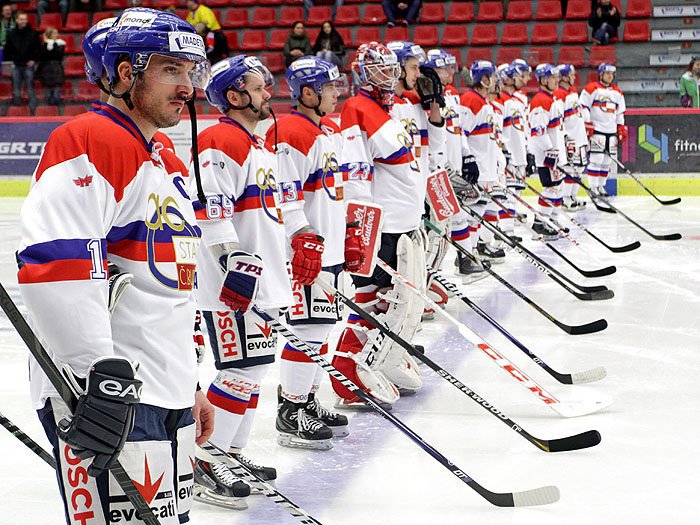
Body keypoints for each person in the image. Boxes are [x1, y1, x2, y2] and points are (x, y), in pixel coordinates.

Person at [16, 9, 213, 525]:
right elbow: (57, 261)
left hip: (165, 386)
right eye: (171, 70)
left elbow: (175, 283)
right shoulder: (89, 139)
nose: (188, 87)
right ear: (126, 73)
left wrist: (190, 381)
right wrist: (96, 374)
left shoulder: (165, 156)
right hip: (110, 389)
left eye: (190, 71)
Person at [190, 54, 292, 508]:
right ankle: (206, 459)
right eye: (258, 85)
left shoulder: (258, 144)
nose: (268, 92)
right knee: (239, 369)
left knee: (255, 369)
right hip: (232, 285)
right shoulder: (219, 139)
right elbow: (211, 210)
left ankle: (230, 451)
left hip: (260, 279)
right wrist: (235, 265)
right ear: (234, 95)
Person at [330, 41, 443, 408]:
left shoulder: (390, 111)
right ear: (362, 72)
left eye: (391, 67)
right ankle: (347, 368)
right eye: (380, 68)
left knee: (403, 302)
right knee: (377, 299)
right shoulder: (357, 108)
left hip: (406, 222)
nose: (389, 74)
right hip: (385, 226)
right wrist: (362, 230)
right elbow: (356, 174)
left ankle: (386, 358)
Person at [265, 56, 351, 450]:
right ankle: (291, 409)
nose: (335, 93)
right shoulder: (290, 132)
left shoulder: (325, 131)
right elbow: (284, 196)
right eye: (329, 87)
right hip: (304, 252)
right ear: (306, 92)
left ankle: (308, 400)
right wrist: (302, 238)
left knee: (321, 329)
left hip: (328, 250)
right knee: (307, 330)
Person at [422, 48, 488, 284]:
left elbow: (458, 132)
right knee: (443, 223)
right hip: (435, 169)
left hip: (451, 168)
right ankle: (440, 270)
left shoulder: (452, 96)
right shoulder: (425, 98)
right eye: (445, 68)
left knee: (453, 220)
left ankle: (460, 262)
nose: (451, 72)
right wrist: (435, 165)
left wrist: (467, 155)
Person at [460, 60, 507, 261]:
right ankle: (468, 253)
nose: (497, 81)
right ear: (485, 79)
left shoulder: (484, 102)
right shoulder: (470, 100)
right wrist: (467, 157)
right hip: (477, 168)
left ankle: (478, 247)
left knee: (480, 209)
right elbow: (461, 133)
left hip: (487, 167)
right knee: (474, 211)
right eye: (494, 76)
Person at [529, 63, 567, 240]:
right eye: (552, 77)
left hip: (556, 154)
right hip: (546, 156)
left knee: (558, 187)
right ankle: (540, 222)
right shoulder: (540, 101)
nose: (556, 80)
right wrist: (549, 151)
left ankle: (552, 219)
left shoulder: (552, 99)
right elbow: (538, 131)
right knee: (551, 189)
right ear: (543, 80)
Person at [579, 63, 626, 196]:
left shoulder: (617, 92)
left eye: (612, 74)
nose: (610, 76)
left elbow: (619, 113)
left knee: (607, 162)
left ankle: (601, 186)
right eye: (607, 73)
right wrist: (587, 124)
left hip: (611, 132)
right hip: (597, 130)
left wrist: (621, 127)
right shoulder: (591, 88)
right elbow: (583, 107)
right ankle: (593, 187)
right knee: (596, 159)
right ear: (601, 74)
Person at [554, 64, 589, 210]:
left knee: (579, 169)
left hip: (580, 137)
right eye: (571, 74)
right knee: (569, 169)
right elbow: (559, 118)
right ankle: (565, 198)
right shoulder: (559, 95)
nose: (574, 77)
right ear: (563, 77)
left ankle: (573, 196)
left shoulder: (573, 92)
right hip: (570, 139)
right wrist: (564, 138)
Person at [4, 11, 40, 107]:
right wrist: (11, 62)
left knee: (30, 86)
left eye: (25, 19)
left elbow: (38, 49)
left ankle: (33, 107)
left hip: (29, 64)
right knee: (16, 86)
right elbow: (8, 50)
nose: (24, 21)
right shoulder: (11, 34)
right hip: (16, 64)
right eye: (21, 19)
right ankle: (17, 106)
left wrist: (34, 60)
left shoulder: (34, 33)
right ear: (16, 20)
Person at [36, 26, 65, 106]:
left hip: (56, 69)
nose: (56, 35)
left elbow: (58, 56)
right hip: (46, 69)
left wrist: (54, 44)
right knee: (48, 94)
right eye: (54, 33)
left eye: (56, 33)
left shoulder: (60, 43)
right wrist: (46, 43)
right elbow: (42, 56)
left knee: (56, 94)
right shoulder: (43, 45)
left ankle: (58, 110)